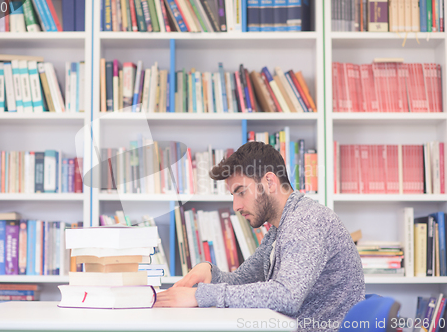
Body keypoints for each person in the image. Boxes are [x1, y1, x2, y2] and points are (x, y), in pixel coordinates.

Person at [154, 141, 365, 332]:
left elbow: (286, 296)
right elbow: (243, 281)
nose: (236, 206)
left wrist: (199, 295)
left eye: (241, 192)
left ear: (270, 182)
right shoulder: (278, 229)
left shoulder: (306, 220)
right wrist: (209, 272)